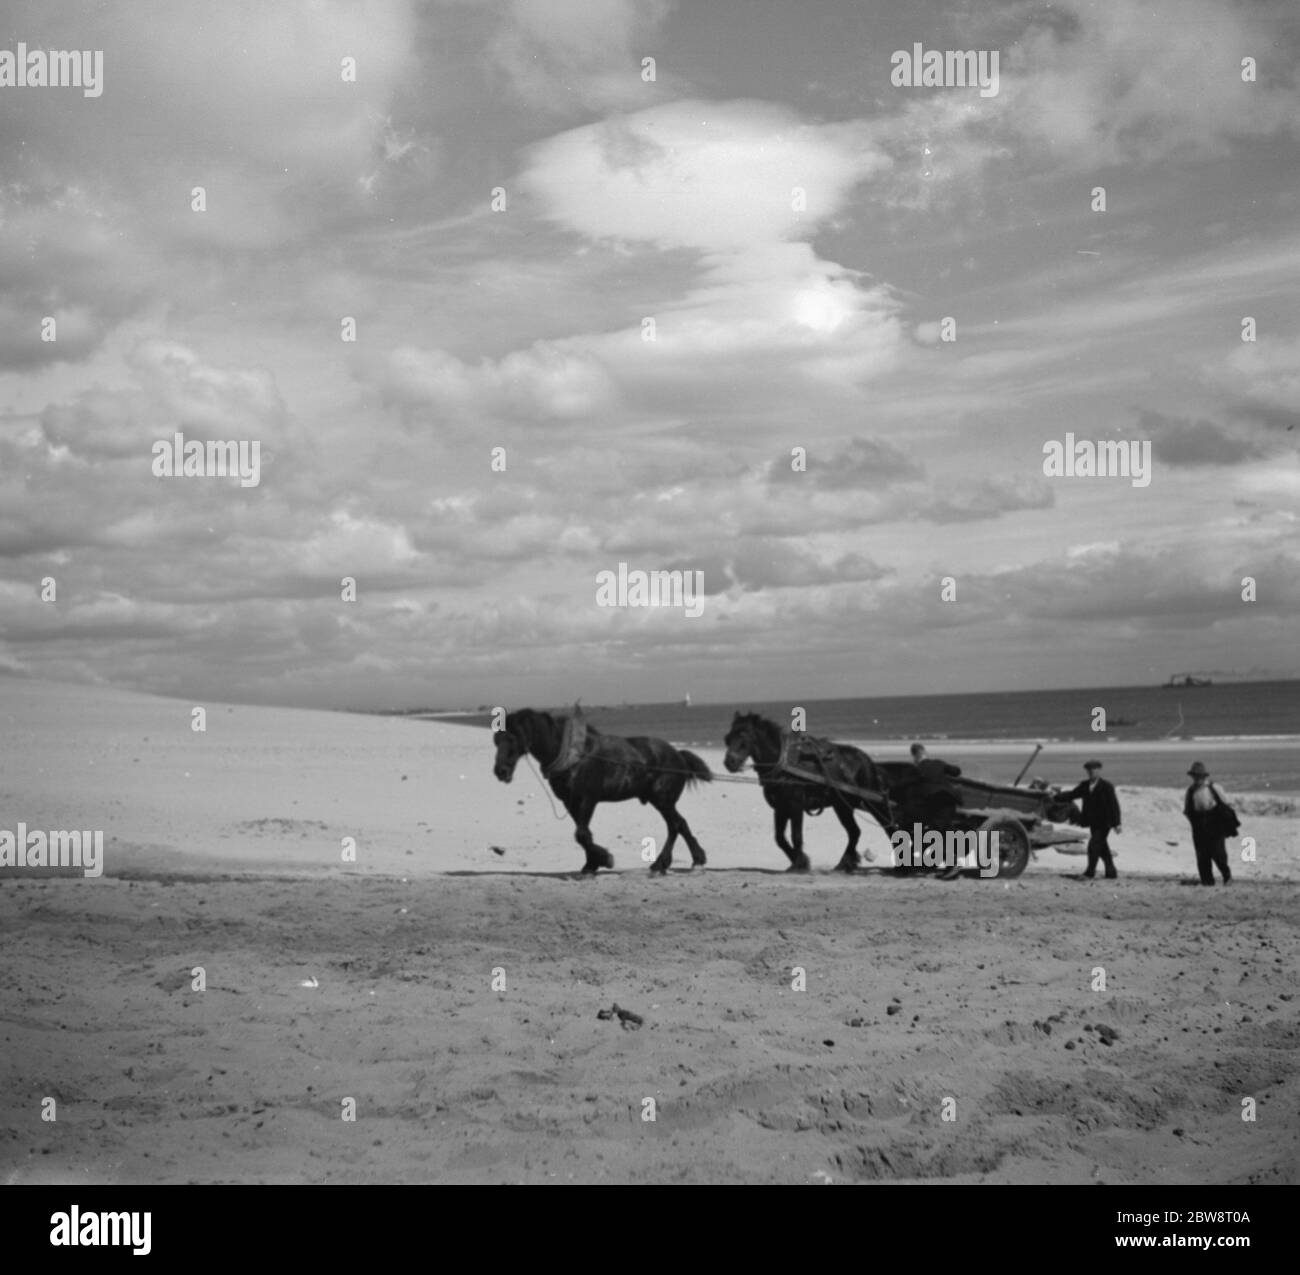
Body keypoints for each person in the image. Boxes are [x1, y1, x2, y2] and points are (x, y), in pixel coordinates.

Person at [910, 743, 965, 879]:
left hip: (936, 803)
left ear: (915, 757)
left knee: (934, 833)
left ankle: (952, 864)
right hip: (949, 801)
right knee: (941, 832)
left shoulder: (916, 770)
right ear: (925, 753)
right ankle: (935, 862)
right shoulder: (938, 763)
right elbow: (956, 771)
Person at [1065, 760, 1121, 880]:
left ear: (1099, 770)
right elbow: (1072, 794)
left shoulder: (1107, 786)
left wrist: (1117, 823)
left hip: (1105, 822)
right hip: (1092, 822)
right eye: (1089, 769)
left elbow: (1114, 805)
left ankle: (1089, 873)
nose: (1091, 771)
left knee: (1093, 845)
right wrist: (1056, 796)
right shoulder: (1085, 785)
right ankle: (1111, 871)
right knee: (1102, 847)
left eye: (1094, 769)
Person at [1184, 761, 1233, 885]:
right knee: (1202, 855)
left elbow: (1226, 804)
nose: (1197, 778)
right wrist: (1194, 822)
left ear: (1204, 777)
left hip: (1214, 823)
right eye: (1195, 776)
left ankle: (1227, 876)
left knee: (1218, 853)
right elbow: (1187, 810)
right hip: (1198, 825)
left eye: (1199, 776)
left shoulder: (1214, 787)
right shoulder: (1190, 790)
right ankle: (1207, 881)